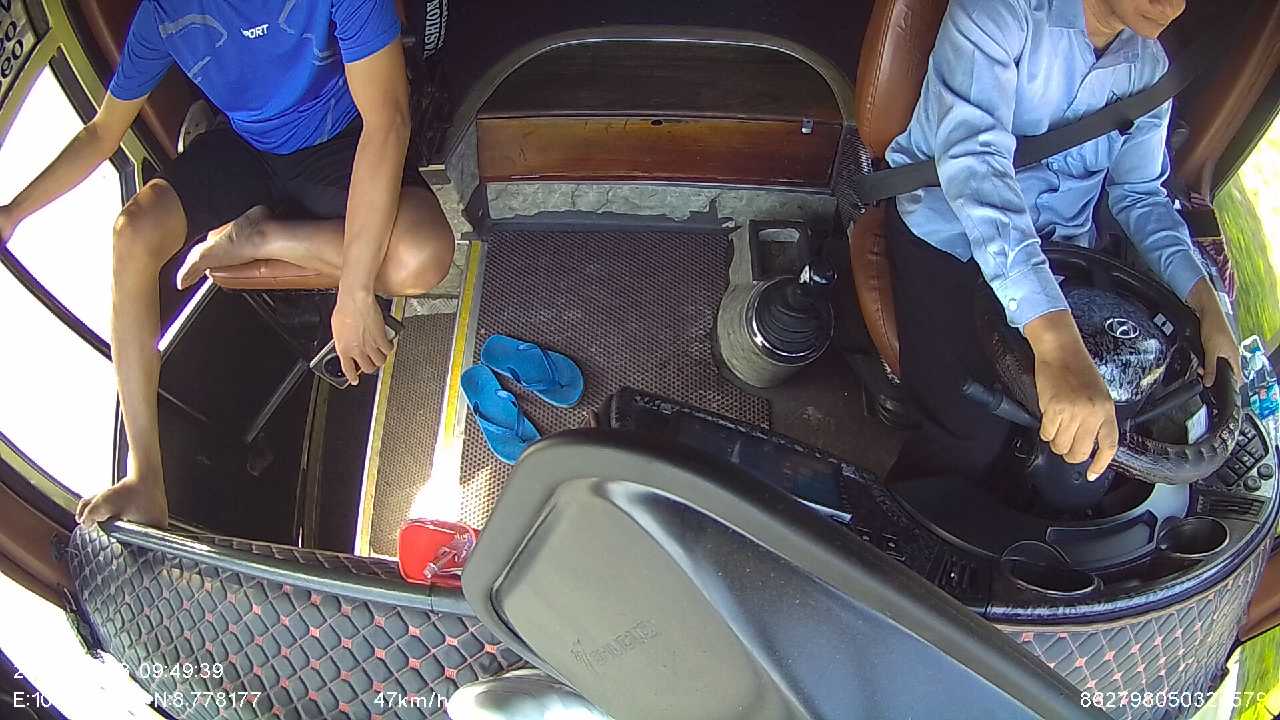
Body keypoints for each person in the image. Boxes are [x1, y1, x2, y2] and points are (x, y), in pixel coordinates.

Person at [0, 0, 456, 528]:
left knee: (423, 257)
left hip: (339, 138)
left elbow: (388, 121)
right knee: (133, 234)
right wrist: (12, 214)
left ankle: (260, 233)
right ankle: (145, 475)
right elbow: (102, 132)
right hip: (243, 147)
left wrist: (354, 293)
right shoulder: (164, 15)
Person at [882, 0, 1240, 485]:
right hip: (953, 234)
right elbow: (976, 166)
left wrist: (1206, 301)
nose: (1171, 5)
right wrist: (1056, 341)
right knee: (969, 437)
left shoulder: (1150, 70)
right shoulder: (1000, 12)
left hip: (1065, 256)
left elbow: (1140, 196)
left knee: (1107, 428)